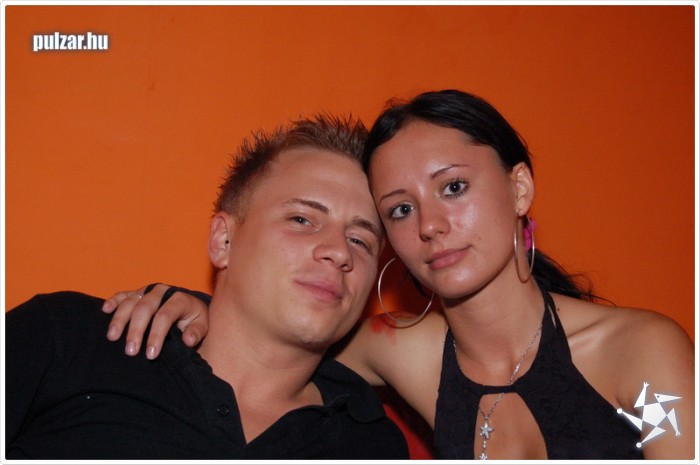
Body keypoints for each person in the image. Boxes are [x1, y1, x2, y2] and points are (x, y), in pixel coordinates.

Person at [102, 90, 695, 460]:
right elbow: (279, 325)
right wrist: (194, 306)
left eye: (453, 187)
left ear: (519, 189)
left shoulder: (638, 352)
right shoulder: (405, 352)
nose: (431, 225)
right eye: (401, 210)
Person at [4, 114, 410, 460]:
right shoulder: (69, 339)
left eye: (360, 240)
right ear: (223, 241)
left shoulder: (371, 445)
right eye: (302, 219)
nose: (339, 251)